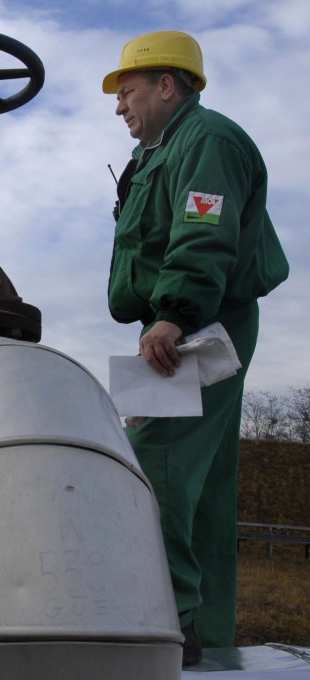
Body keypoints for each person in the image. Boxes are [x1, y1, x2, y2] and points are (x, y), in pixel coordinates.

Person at [103, 31, 288, 665]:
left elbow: (204, 230)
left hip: (205, 322)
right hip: (187, 319)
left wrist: (176, 316)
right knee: (205, 488)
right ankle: (209, 634)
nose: (119, 105)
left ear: (167, 84)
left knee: (154, 464)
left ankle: (166, 622)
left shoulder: (206, 140)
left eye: (127, 90)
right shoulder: (161, 153)